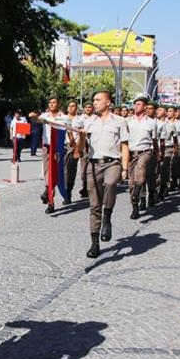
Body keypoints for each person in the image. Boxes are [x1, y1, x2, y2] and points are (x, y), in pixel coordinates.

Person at [75, 90, 129, 258]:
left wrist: (125, 168)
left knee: (111, 183)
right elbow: (79, 150)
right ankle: (95, 243)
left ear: (108, 102)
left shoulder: (120, 121)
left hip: (112, 162)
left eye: (98, 100)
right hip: (93, 164)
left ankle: (108, 216)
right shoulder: (88, 122)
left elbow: (125, 145)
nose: (95, 102)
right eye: (94, 100)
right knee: (94, 206)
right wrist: (82, 138)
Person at [126, 96, 159, 219]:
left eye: (139, 104)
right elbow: (123, 140)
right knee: (131, 183)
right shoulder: (128, 121)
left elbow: (154, 139)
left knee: (141, 166)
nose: (136, 106)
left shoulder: (151, 122)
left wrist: (157, 153)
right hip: (132, 152)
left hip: (146, 151)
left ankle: (139, 187)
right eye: (135, 104)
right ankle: (135, 206)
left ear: (145, 107)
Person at [38, 97, 67, 214]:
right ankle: (51, 202)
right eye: (50, 103)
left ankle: (47, 192)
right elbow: (37, 120)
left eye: (54, 102)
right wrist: (33, 116)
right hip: (47, 147)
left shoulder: (64, 117)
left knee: (55, 173)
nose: (51, 104)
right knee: (47, 172)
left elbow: (68, 130)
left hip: (58, 148)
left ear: (58, 104)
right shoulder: (45, 116)